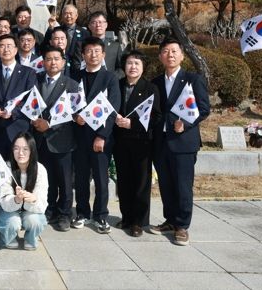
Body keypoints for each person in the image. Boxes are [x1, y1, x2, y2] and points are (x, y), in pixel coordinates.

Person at [150, 37, 210, 246]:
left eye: (174, 51)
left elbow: (204, 109)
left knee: (183, 186)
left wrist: (185, 123)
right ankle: (170, 220)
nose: (170, 55)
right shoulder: (155, 82)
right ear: (160, 56)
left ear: (182, 56)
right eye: (166, 51)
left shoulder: (193, 79)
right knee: (166, 185)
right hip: (161, 142)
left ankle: (182, 226)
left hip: (183, 142)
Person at [71, 37, 121, 233]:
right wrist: (75, 116)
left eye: (96, 51)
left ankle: (101, 215)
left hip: (100, 137)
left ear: (103, 54)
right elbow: (69, 103)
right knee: (81, 178)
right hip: (79, 136)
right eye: (89, 51)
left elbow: (113, 109)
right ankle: (82, 213)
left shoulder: (110, 78)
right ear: (83, 55)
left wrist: (102, 136)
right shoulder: (76, 76)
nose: (93, 55)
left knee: (101, 179)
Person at [31, 45, 79, 232]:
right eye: (49, 59)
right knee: (46, 178)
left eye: (56, 59)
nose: (52, 62)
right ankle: (49, 209)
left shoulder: (71, 85)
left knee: (65, 181)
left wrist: (50, 124)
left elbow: (73, 113)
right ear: (43, 62)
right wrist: (35, 120)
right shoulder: (35, 80)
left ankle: (65, 214)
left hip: (62, 139)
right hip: (40, 140)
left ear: (63, 62)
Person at [113, 50, 161, 237]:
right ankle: (126, 217)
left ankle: (138, 222)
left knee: (141, 182)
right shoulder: (117, 85)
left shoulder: (150, 88)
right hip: (120, 141)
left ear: (143, 67)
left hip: (141, 142)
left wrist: (132, 124)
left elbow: (155, 116)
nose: (132, 67)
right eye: (129, 63)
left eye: (137, 64)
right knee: (124, 180)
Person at [0, 34, 37, 158]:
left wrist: (13, 112)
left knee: (19, 165)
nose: (6, 49)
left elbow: (31, 100)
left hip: (18, 128)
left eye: (9, 46)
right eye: (2, 46)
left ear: (16, 50)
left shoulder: (28, 73)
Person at [0, 132, 48, 250]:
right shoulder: (6, 168)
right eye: (16, 148)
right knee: (12, 222)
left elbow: (42, 204)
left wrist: (33, 199)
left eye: (25, 149)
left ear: (32, 150)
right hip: (9, 210)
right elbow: (4, 202)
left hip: (31, 210)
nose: (20, 153)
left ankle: (31, 238)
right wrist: (16, 199)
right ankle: (8, 237)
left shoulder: (40, 170)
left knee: (34, 221)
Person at [86, 11, 124, 78]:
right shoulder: (82, 45)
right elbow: (77, 65)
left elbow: (122, 68)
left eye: (100, 22)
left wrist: (111, 78)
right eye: (94, 22)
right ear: (89, 26)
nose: (98, 25)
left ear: (106, 25)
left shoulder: (115, 46)